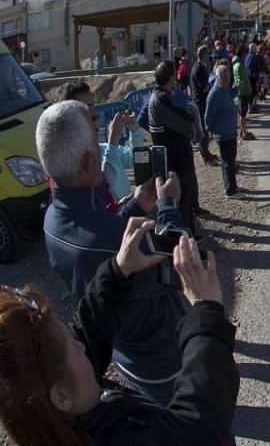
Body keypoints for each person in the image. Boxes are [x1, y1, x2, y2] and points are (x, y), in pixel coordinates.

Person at [0, 217, 239, 444]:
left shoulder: (62, 406)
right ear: (62, 397)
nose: (80, 344)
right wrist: (206, 313)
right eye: (74, 347)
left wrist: (119, 269)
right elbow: (196, 431)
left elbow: (87, 329)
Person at [37, 100, 188, 406]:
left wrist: (136, 204)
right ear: (90, 165)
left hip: (127, 352)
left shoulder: (52, 220)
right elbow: (179, 260)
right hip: (163, 359)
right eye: (97, 139)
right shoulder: (115, 239)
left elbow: (100, 231)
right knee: (197, 423)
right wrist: (168, 205)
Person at [148, 60, 199, 233]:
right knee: (180, 203)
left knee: (183, 201)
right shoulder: (161, 98)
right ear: (170, 77)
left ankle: (186, 234)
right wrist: (190, 114)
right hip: (174, 161)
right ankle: (184, 239)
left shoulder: (161, 96)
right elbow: (185, 122)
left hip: (174, 158)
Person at [205, 64, 239, 197]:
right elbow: (208, 117)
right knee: (227, 163)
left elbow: (230, 97)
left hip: (230, 132)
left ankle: (231, 185)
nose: (226, 79)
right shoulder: (214, 93)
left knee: (231, 162)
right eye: (223, 76)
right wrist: (211, 131)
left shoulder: (224, 90)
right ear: (217, 77)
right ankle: (230, 190)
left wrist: (236, 89)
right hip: (223, 134)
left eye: (227, 76)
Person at [191, 45, 218, 165]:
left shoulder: (198, 67)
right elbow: (204, 88)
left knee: (205, 129)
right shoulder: (199, 69)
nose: (209, 56)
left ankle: (207, 152)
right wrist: (213, 84)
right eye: (208, 54)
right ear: (204, 55)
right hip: (200, 102)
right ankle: (205, 157)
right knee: (202, 130)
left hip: (201, 101)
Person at [232, 46, 255, 141]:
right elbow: (239, 80)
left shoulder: (240, 64)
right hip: (243, 93)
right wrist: (241, 88)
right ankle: (244, 133)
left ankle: (243, 131)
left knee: (242, 113)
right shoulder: (238, 65)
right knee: (243, 114)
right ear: (243, 54)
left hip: (244, 91)